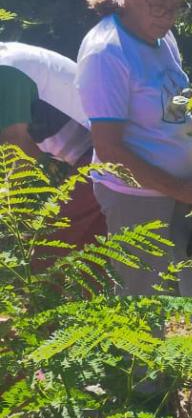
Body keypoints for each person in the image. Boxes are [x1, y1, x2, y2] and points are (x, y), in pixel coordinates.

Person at [76, 0, 192, 336]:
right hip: (135, 199)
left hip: (187, 189)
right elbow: (109, 149)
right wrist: (178, 188)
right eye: (157, 5)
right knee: (145, 295)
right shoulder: (107, 52)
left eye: (175, 7)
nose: (166, 16)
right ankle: (146, 389)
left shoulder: (163, 36)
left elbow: (176, 109)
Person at [0, 41, 106, 266]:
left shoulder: (5, 70)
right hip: (93, 155)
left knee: (44, 248)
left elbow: (15, 148)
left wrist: (13, 213)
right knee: (87, 258)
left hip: (105, 153)